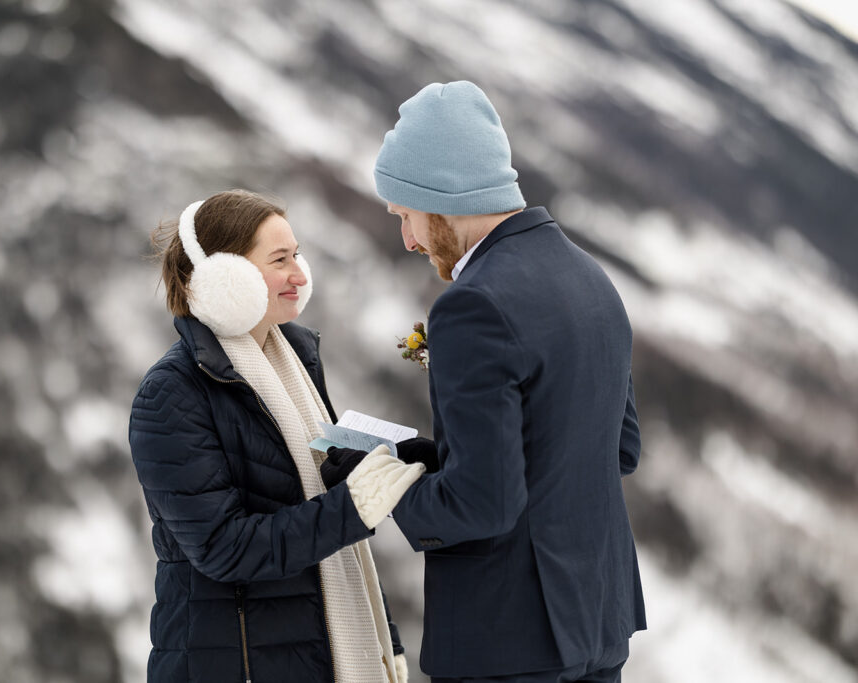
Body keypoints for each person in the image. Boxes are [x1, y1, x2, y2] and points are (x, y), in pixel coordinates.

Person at [370, 80, 646, 682]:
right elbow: (617, 449)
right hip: (598, 622)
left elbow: (484, 502)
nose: (409, 239)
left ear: (441, 195)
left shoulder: (474, 305)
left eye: (406, 215)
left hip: (508, 643)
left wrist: (386, 487)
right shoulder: (592, 278)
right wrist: (431, 458)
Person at [128, 189, 425, 683]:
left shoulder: (294, 362)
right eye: (280, 260)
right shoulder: (171, 395)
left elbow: (335, 528)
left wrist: (382, 639)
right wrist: (356, 506)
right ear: (227, 277)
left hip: (308, 656)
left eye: (298, 255)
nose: (299, 275)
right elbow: (226, 548)